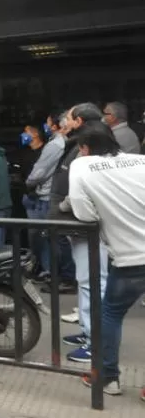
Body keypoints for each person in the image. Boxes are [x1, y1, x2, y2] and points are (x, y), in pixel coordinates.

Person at [66, 121, 145, 397]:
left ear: (84, 148)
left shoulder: (81, 167)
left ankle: (108, 377)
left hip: (130, 259)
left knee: (111, 313)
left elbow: (84, 214)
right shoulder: (140, 161)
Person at [48, 103, 109, 364]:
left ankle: (96, 342)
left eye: (69, 118)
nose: (65, 122)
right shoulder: (84, 139)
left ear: (79, 120)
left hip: (87, 224)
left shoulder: (91, 141)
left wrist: (63, 205)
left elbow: (86, 185)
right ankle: (88, 332)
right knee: (87, 280)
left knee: (93, 281)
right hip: (79, 223)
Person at [23, 114, 66, 281]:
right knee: (42, 237)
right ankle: (45, 269)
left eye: (48, 123)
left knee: (43, 236)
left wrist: (29, 182)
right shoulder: (55, 144)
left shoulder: (53, 146)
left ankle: (49, 271)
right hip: (39, 196)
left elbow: (37, 174)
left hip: (43, 197)